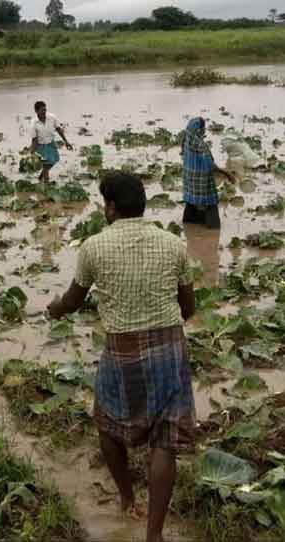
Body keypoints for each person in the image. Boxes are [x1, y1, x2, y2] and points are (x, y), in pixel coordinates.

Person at [46, 171, 196, 542]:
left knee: (107, 422)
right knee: (165, 439)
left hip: (123, 349)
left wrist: (55, 310)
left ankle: (128, 499)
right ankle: (154, 534)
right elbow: (188, 306)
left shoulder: (93, 247)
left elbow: (73, 300)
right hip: (170, 347)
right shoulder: (173, 244)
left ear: (111, 207)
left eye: (103, 203)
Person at [181, 116, 235, 229]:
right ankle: (211, 228)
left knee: (191, 205)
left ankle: (190, 226)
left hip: (190, 182)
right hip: (202, 183)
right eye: (203, 128)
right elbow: (211, 166)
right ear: (199, 130)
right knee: (211, 207)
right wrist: (227, 174)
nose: (205, 130)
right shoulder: (201, 145)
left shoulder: (186, 141)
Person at [31, 100, 73, 182]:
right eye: (42, 110)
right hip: (41, 146)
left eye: (45, 110)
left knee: (55, 160)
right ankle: (46, 182)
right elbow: (34, 139)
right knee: (46, 163)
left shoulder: (52, 117)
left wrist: (66, 142)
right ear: (36, 111)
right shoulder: (34, 123)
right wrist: (32, 151)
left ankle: (41, 176)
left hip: (51, 143)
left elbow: (58, 129)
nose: (44, 112)